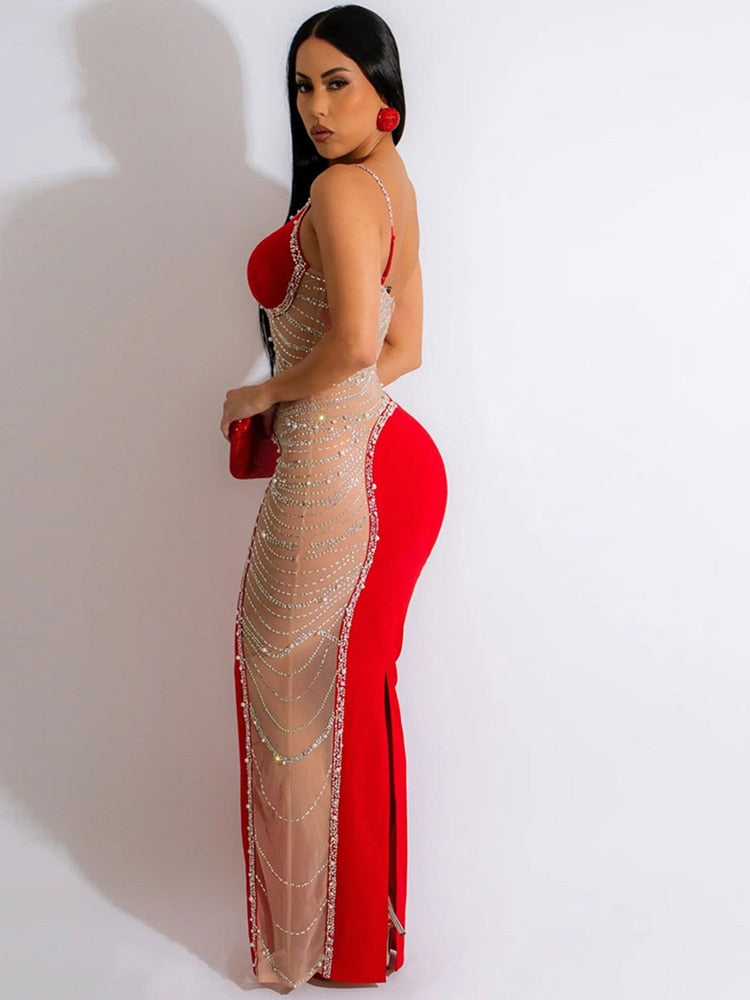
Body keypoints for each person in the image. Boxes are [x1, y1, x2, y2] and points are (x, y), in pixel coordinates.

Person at [220, 5, 448, 990]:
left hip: (339, 471)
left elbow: (360, 344)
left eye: (338, 82)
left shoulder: (346, 187)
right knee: (342, 691)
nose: (316, 106)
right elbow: (405, 348)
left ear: (383, 91)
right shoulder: (391, 181)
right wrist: (320, 404)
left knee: (288, 686)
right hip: (388, 456)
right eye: (302, 85)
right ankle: (355, 939)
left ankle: (321, 943)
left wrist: (264, 393)